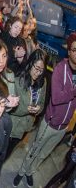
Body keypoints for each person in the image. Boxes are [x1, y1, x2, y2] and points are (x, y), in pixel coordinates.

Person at [13, 32, 76, 188]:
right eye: (75, 49)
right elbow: (56, 98)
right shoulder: (61, 69)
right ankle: (21, 172)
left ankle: (29, 171)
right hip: (50, 123)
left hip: (63, 126)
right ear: (69, 51)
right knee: (35, 149)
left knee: (44, 154)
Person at [6, 49, 47, 158]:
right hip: (12, 128)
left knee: (8, 154)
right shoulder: (17, 80)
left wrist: (39, 109)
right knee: (1, 155)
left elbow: (42, 102)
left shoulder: (43, 82)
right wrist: (26, 109)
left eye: (41, 70)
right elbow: (8, 109)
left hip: (24, 128)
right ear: (30, 64)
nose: (38, 73)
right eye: (36, 68)